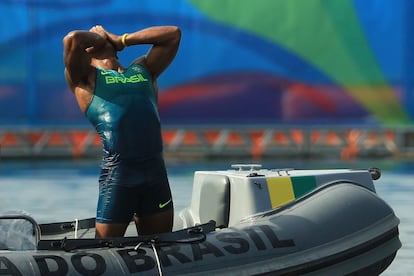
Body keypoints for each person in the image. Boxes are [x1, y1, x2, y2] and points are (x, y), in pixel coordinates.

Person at [62, 25, 181, 238]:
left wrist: (122, 39)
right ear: (87, 52)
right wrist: (98, 39)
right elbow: (73, 39)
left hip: (155, 175)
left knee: (161, 249)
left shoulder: (143, 69)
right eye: (94, 40)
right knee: (104, 250)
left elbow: (173, 34)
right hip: (119, 177)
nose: (100, 36)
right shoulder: (85, 78)